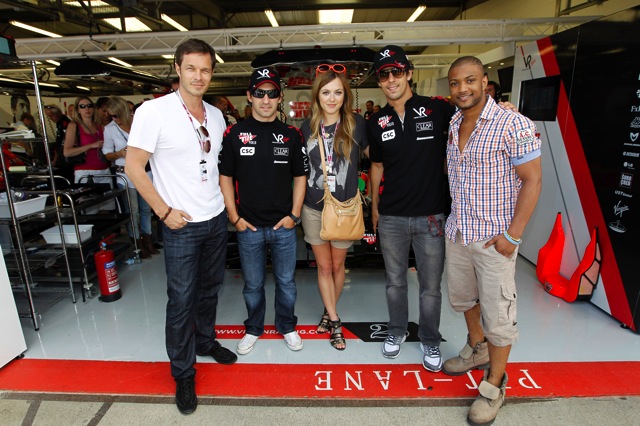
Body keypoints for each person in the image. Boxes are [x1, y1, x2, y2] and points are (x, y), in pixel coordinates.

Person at [125, 38, 237, 415]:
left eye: (205, 70)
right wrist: (162, 211)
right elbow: (133, 167)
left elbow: (215, 166)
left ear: (212, 73)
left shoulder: (216, 115)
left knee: (210, 290)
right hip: (180, 225)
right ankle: (183, 372)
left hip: (215, 218)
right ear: (177, 69)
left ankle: (205, 341)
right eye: (191, 68)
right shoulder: (153, 111)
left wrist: (227, 209)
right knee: (181, 300)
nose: (198, 76)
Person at [443, 56, 541, 425]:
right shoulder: (454, 122)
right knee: (464, 299)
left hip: (493, 239)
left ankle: (495, 385)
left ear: (486, 82)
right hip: (459, 232)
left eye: (470, 80)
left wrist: (513, 236)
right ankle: (477, 348)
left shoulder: (513, 123)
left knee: (499, 317)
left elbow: (532, 180)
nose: (462, 89)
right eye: (455, 83)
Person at [367, 45, 455, 372]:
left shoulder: (437, 108)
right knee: (395, 283)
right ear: (379, 81)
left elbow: (473, 116)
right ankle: (396, 330)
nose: (391, 79)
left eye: (396, 72)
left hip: (431, 216)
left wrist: (502, 108)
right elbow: (376, 166)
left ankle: (430, 339)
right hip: (391, 217)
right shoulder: (377, 121)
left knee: (430, 288)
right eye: (384, 75)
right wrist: (375, 208)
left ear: (408, 73)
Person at [219, 67, 308, 356]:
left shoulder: (292, 134)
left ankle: (287, 326)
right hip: (249, 227)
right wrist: (234, 217)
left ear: (280, 97)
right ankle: (254, 328)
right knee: (253, 284)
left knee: (286, 283)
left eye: (271, 94)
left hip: (284, 227)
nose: (265, 99)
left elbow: (301, 177)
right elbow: (225, 177)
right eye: (259, 93)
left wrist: (294, 216)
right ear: (250, 96)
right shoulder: (234, 133)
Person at [300, 64, 369, 351]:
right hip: (313, 206)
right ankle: (335, 319)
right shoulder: (307, 126)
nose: (332, 98)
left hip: (343, 208)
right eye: (326, 92)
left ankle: (328, 313)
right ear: (317, 95)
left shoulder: (356, 123)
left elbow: (377, 156)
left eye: (338, 93)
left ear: (345, 96)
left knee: (338, 265)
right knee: (324, 266)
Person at [102, 96, 156, 259]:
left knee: (146, 208)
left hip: (145, 171)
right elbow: (107, 154)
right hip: (124, 173)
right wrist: (120, 153)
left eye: (117, 115)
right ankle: (137, 243)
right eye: (112, 116)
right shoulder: (110, 129)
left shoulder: (139, 123)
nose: (115, 119)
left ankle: (148, 239)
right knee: (133, 211)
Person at [63, 96, 115, 212]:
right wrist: (90, 146)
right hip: (85, 172)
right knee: (89, 209)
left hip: (104, 170)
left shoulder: (100, 125)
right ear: (78, 110)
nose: (87, 109)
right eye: (82, 106)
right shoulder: (74, 125)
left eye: (89, 106)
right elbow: (67, 152)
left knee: (108, 209)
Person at [44, 104, 73, 181]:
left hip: (66, 159)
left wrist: (56, 158)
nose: (51, 118)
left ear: (57, 113)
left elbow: (63, 143)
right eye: (48, 116)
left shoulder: (65, 123)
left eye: (52, 115)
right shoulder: (59, 123)